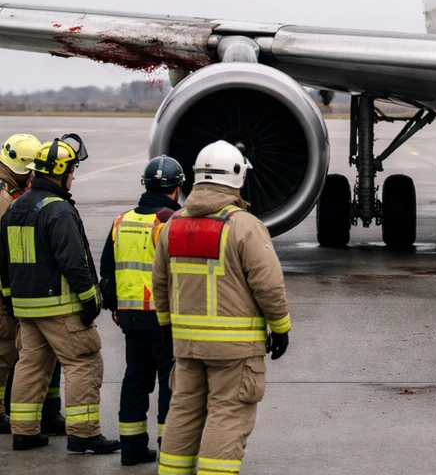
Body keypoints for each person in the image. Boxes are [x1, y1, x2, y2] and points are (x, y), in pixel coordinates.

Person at [153, 141, 291, 475]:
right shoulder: (244, 226)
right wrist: (282, 328)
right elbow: (268, 285)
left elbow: (159, 282)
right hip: (235, 349)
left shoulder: (173, 225)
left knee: (183, 414)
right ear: (238, 176)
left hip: (186, 346)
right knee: (227, 416)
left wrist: (168, 325)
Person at [0, 134, 119, 454]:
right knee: (84, 362)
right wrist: (91, 298)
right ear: (61, 173)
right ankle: (84, 433)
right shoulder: (58, 210)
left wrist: (11, 299)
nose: (74, 177)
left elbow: (3, 260)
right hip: (59, 307)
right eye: (71, 171)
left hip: (25, 309)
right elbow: (74, 261)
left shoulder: (15, 207)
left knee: (30, 365)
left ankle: (24, 432)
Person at [100, 155, 184, 466]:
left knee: (135, 379)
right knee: (170, 382)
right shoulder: (170, 222)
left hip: (130, 317)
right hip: (163, 318)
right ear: (176, 189)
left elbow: (107, 271)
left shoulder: (121, 221)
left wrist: (116, 307)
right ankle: (170, 447)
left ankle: (132, 448)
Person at [0, 134, 66, 438]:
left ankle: (34, 413)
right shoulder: (4, 198)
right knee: (6, 354)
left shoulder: (9, 192)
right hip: (14, 288)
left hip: (16, 287)